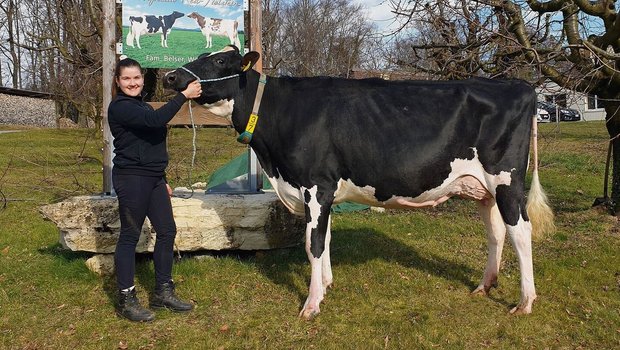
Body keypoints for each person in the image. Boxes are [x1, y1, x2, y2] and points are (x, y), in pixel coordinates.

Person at [107, 58, 202, 322]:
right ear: (118, 81)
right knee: (130, 235)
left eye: (136, 77)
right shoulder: (121, 107)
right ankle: (126, 299)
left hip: (154, 179)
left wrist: (163, 178)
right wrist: (183, 95)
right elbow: (155, 120)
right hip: (132, 177)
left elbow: (152, 142)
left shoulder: (141, 105)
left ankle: (163, 291)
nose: (133, 82)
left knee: (167, 230)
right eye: (126, 78)